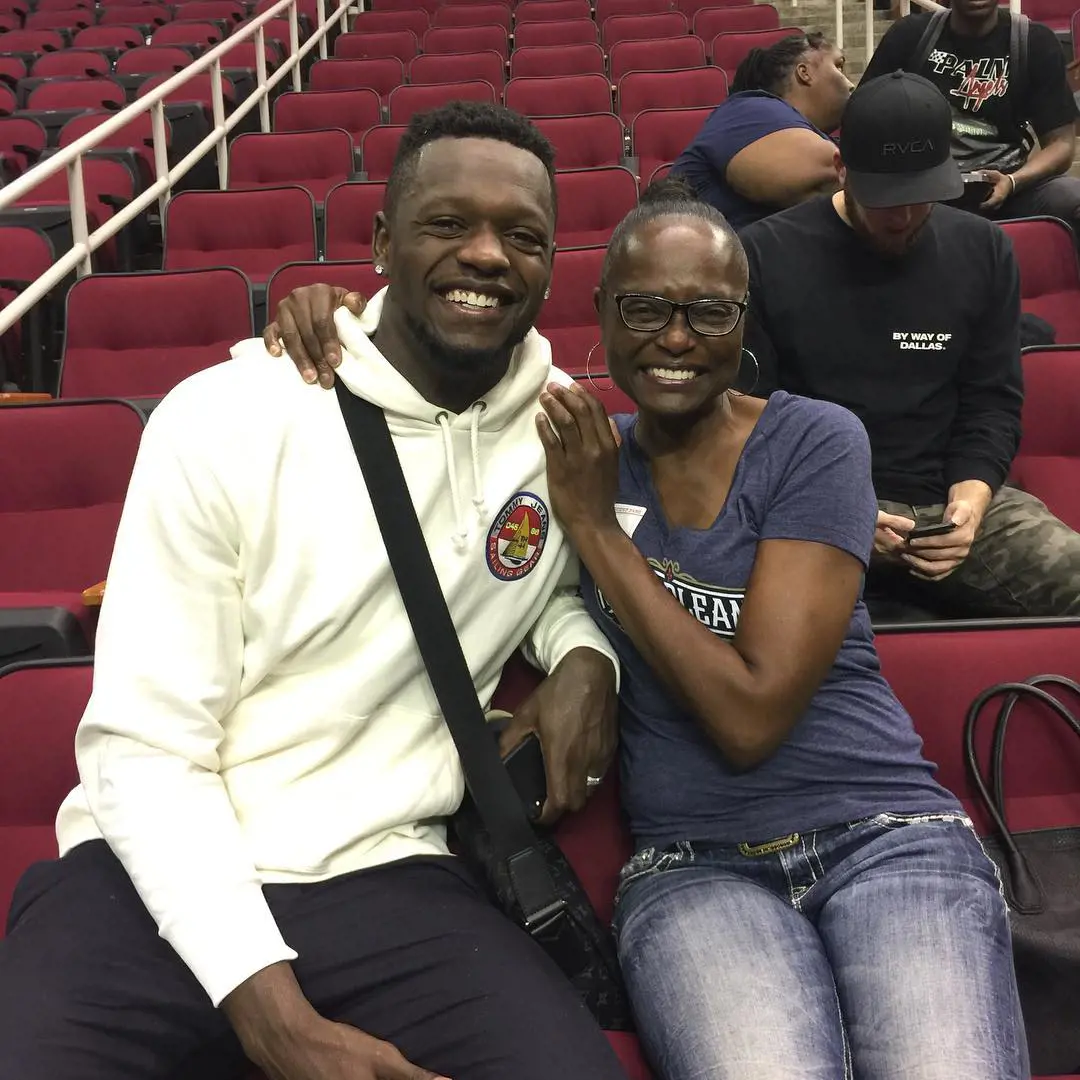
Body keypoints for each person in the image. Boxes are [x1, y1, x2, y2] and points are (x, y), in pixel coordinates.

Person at [0, 101, 629, 1080]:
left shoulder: (560, 442)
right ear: (380, 241)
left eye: (522, 235)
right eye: (447, 224)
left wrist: (584, 653)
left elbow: (564, 572)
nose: (488, 255)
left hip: (391, 874)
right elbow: (145, 748)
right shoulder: (226, 419)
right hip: (148, 878)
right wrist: (274, 1017)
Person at [534, 176, 1028, 1080]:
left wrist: (599, 534)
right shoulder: (579, 459)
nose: (677, 339)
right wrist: (322, 326)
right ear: (601, 311)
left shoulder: (815, 440)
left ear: (745, 322)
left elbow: (751, 717)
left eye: (710, 314)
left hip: (885, 833)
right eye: (646, 307)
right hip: (694, 868)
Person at [739, 70, 1080, 618]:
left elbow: (992, 402)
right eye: (884, 199)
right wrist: (838, 507)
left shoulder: (984, 250)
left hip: (948, 501)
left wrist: (971, 498)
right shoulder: (763, 255)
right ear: (841, 170)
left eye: (920, 198)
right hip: (814, 505)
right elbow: (749, 420)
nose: (902, 218)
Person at [862, 0, 1080, 235]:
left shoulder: (1035, 42)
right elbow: (864, 117)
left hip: (1008, 186)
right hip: (923, 189)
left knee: (1070, 197)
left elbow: (1062, 145)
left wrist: (1013, 181)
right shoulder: (909, 36)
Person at [671, 32, 852, 230]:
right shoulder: (749, 110)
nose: (851, 84)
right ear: (804, 72)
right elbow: (836, 175)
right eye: (838, 65)